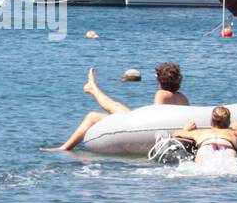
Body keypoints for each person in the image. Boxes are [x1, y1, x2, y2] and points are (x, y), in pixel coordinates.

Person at [43, 63, 189, 152]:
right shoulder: (183, 97)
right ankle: (92, 88)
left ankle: (65, 147)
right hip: (167, 131)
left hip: (145, 130)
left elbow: (158, 117)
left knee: (93, 116)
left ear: (159, 80)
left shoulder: (162, 94)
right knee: (118, 107)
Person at [170, 106, 237, 161]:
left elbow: (175, 134)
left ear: (211, 121)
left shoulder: (200, 133)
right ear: (228, 121)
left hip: (206, 149)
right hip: (227, 150)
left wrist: (186, 129)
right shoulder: (234, 133)